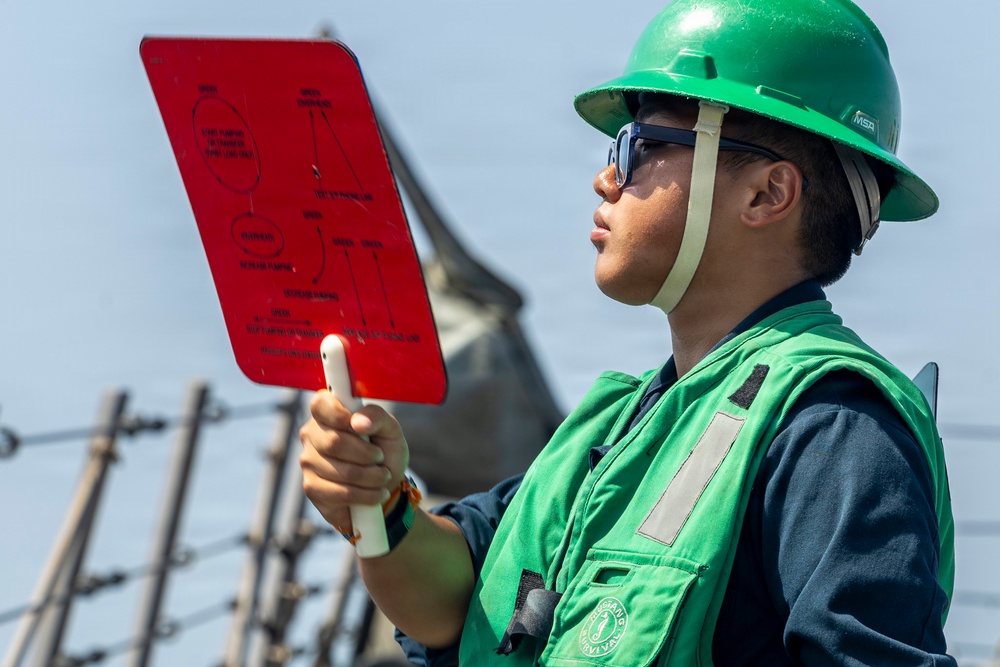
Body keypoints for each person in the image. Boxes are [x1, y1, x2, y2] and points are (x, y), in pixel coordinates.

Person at [299, 0, 956, 664]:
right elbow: (459, 598)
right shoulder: (612, 431)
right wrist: (379, 504)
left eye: (640, 147)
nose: (607, 177)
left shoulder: (836, 428)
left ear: (766, 194)